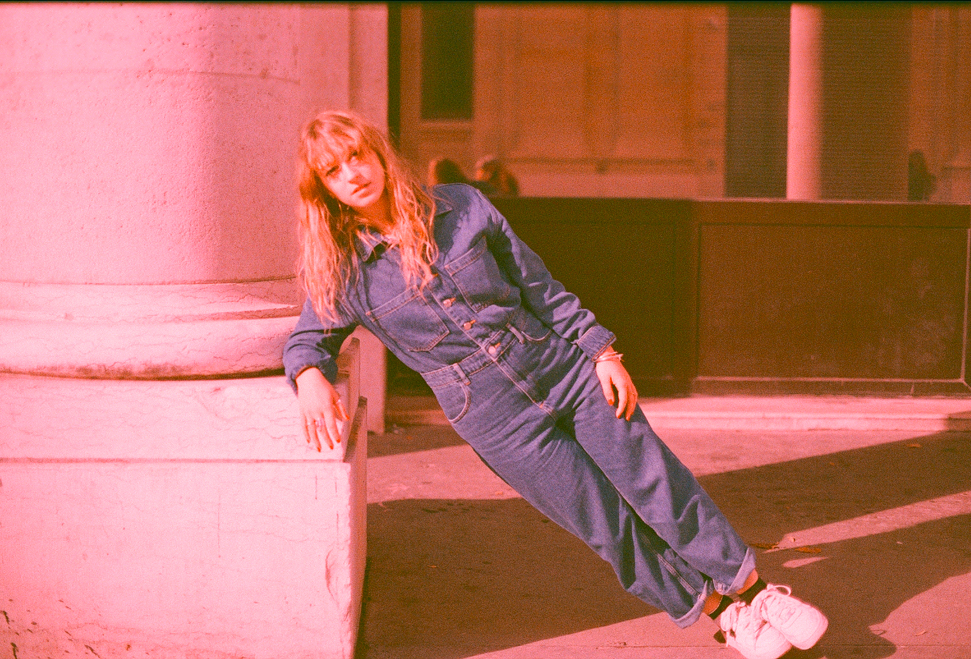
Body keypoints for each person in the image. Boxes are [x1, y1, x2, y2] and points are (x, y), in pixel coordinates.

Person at [283, 110, 828, 659]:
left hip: (562, 369)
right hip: (494, 418)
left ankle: (752, 589)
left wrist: (601, 350)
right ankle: (727, 615)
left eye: (356, 156)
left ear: (378, 154)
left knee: (653, 479)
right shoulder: (344, 273)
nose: (352, 174)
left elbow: (538, 286)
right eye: (333, 170)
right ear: (323, 190)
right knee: (605, 525)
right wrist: (308, 376)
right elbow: (308, 340)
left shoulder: (462, 206)